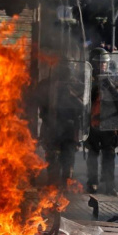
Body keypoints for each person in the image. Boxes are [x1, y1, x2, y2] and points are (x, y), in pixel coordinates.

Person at [36, 56, 88, 188]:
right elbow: (39, 103)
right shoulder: (46, 85)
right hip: (51, 125)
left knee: (68, 157)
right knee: (52, 156)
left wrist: (70, 92)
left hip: (69, 127)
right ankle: (52, 183)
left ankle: (66, 182)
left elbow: (82, 106)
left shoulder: (77, 86)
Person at [84, 47, 118, 196]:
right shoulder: (87, 78)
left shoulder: (113, 79)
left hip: (108, 124)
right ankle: (92, 182)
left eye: (104, 63)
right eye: (99, 63)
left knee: (109, 155)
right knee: (92, 154)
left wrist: (109, 85)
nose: (102, 66)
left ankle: (109, 185)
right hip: (91, 124)